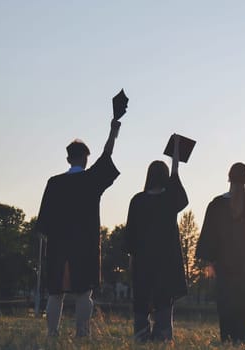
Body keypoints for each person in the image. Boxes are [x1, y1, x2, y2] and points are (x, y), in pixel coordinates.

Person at [36, 118, 122, 337]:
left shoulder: (54, 183)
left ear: (67, 158)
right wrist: (113, 132)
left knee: (55, 294)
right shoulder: (91, 180)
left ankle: (52, 334)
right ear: (85, 158)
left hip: (58, 248)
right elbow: (107, 156)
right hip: (85, 248)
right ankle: (82, 333)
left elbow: (43, 222)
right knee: (84, 294)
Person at [195, 137, 245, 345]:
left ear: (229, 179)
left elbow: (208, 235)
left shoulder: (216, 205)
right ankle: (241, 341)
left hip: (223, 266)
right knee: (242, 307)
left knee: (225, 305)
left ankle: (226, 339)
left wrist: (209, 263)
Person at [123, 135, 189, 342]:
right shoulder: (169, 200)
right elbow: (177, 182)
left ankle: (141, 338)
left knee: (141, 302)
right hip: (165, 263)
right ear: (166, 178)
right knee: (163, 303)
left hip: (143, 261)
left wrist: (131, 258)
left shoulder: (137, 201)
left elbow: (130, 234)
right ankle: (162, 339)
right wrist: (175, 160)